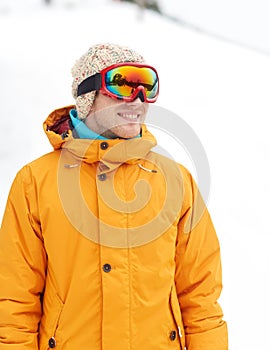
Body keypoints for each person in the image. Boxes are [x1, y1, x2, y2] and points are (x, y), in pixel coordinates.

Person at [0, 43, 228, 349]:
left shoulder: (176, 181)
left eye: (147, 86)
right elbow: (14, 302)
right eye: (122, 84)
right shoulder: (35, 182)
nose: (138, 99)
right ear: (87, 95)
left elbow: (201, 299)